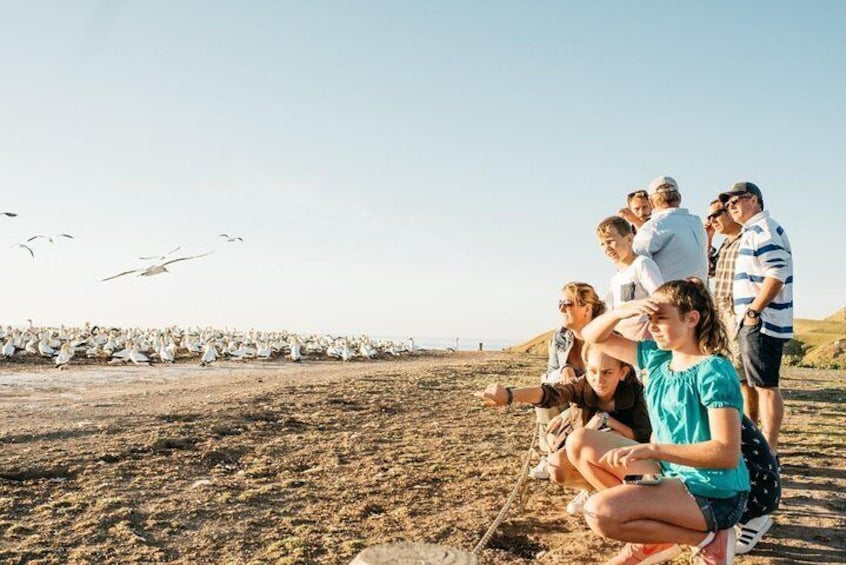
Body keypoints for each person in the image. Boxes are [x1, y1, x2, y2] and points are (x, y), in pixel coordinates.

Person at [578, 279, 749, 565]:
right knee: (581, 441)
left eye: (661, 319)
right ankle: (659, 533)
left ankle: (706, 539)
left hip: (715, 493)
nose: (652, 326)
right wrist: (623, 312)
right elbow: (591, 335)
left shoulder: (713, 370)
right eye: (649, 318)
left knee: (599, 512)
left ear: (691, 318)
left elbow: (726, 453)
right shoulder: (655, 359)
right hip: (673, 475)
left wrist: (653, 450)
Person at [477, 344, 651, 515]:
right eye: (592, 371)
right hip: (587, 454)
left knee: (607, 435)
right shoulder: (582, 385)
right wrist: (510, 395)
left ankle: (627, 501)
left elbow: (643, 436)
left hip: (630, 462)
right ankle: (591, 489)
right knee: (556, 467)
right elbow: (551, 393)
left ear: (623, 373)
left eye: (607, 372)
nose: (598, 379)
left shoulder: (636, 393)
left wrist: (607, 420)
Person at [719, 182, 792, 454]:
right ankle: (760, 446)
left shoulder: (764, 229)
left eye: (736, 200)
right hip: (752, 321)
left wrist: (753, 312)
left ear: (754, 200)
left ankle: (769, 450)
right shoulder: (752, 232)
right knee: (754, 384)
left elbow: (777, 273)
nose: (731, 207)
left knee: (766, 386)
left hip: (762, 321)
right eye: (728, 204)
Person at [705, 198, 754, 419]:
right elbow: (710, 269)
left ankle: (751, 425)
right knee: (727, 369)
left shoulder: (746, 239)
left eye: (717, 214)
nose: (712, 220)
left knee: (743, 374)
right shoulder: (726, 243)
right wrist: (708, 239)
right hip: (721, 311)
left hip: (736, 310)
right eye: (710, 217)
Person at [597, 216, 664, 340]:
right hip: (624, 338)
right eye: (602, 244)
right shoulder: (616, 279)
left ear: (629, 238)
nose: (607, 248)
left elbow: (661, 299)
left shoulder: (642, 264)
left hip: (646, 340)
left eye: (610, 241)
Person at [632, 176, 708, 282]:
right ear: (679, 198)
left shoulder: (653, 226)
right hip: (701, 295)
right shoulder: (697, 223)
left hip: (669, 295)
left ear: (651, 202)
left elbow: (634, 264)